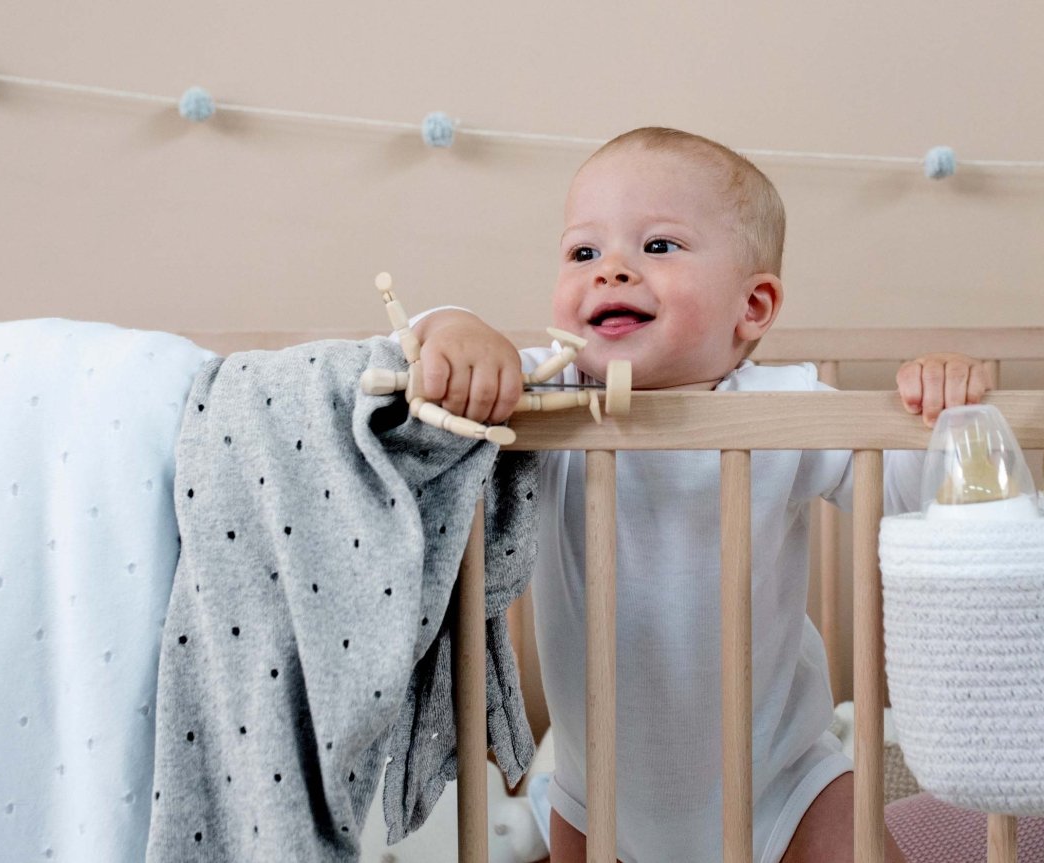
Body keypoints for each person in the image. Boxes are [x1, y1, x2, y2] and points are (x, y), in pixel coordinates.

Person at [409, 127, 989, 863]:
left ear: (753, 306)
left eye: (658, 246)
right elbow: (409, 359)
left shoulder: (787, 407)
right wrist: (456, 329)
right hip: (599, 800)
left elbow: (916, 500)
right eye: (584, 252)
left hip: (787, 785)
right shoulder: (541, 396)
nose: (611, 270)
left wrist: (944, 416)